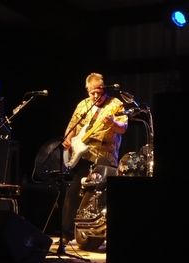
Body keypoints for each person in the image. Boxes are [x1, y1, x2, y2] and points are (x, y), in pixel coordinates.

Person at [61, 72, 128, 245]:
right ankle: (66, 233)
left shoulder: (115, 104)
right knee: (73, 192)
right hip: (84, 156)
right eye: (92, 93)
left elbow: (123, 127)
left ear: (104, 88)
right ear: (87, 90)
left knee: (96, 194)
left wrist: (113, 122)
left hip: (105, 157)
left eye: (99, 92)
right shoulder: (83, 105)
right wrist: (68, 140)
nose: (96, 96)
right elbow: (71, 129)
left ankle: (95, 232)